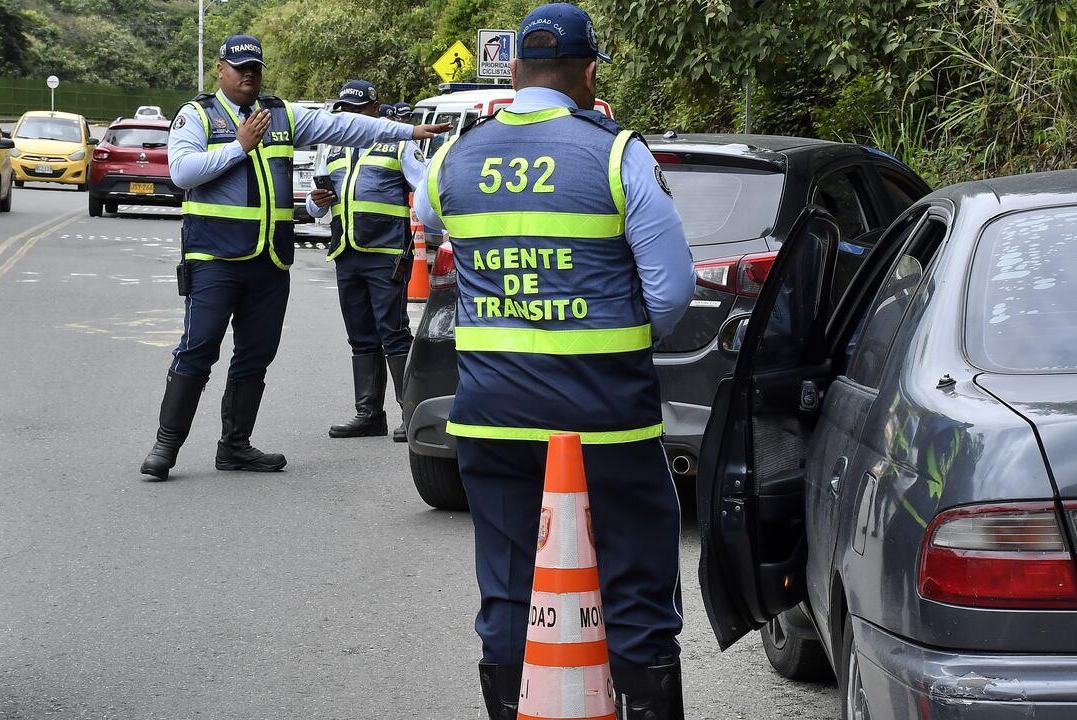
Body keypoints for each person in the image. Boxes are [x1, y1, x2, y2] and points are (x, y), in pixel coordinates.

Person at [413, 5, 694, 719]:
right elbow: (671, 290)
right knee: (636, 589)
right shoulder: (615, 153)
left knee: (509, 589)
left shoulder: (455, 159)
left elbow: (427, 215)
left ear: (513, 71)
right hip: (606, 421)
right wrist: (613, 339)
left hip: (494, 417)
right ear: (589, 73)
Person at [139, 35, 448, 481]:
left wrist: (408, 131)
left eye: (255, 68)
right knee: (198, 350)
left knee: (255, 355)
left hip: (269, 261)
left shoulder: (281, 114)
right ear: (221, 70)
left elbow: (347, 127)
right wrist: (239, 146)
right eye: (240, 67)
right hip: (215, 257)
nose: (249, 74)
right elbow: (182, 172)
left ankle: (236, 446)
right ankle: (165, 447)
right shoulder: (198, 114)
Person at [304, 80, 425, 440]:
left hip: (386, 253)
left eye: (359, 109)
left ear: (375, 109)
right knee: (360, 336)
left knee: (393, 333)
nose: (353, 116)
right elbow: (314, 208)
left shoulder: (399, 142)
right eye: (347, 109)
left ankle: (410, 413)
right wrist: (317, 201)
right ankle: (369, 414)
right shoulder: (333, 147)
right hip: (346, 253)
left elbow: (427, 187)